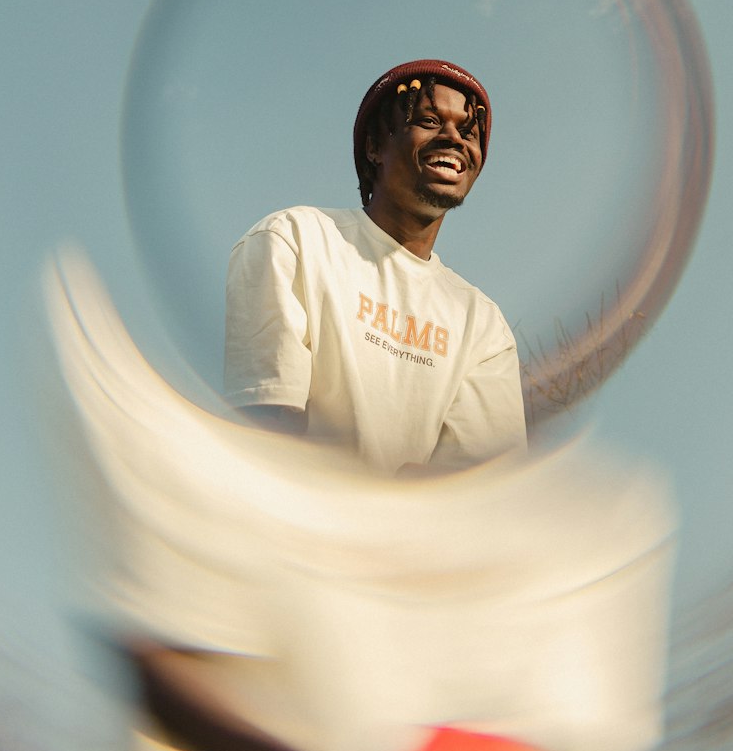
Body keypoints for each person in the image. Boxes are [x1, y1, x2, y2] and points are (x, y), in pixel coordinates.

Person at [222, 59, 527, 472]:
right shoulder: (294, 240)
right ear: (374, 147)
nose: (453, 137)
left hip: (408, 538)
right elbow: (266, 427)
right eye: (430, 119)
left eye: (468, 131)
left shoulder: (484, 324)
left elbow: (480, 490)